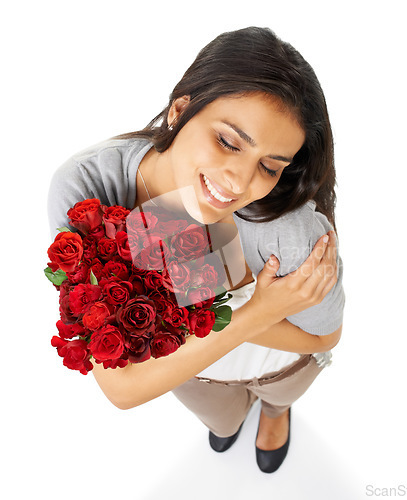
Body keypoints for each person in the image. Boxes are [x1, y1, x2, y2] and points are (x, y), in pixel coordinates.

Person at [47, 26, 345, 473]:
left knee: (279, 396)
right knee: (221, 421)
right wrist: (262, 309)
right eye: (228, 141)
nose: (240, 183)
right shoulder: (90, 188)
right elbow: (122, 388)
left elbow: (324, 338)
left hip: (279, 364)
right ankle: (230, 424)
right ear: (180, 109)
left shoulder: (289, 232)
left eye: (269, 166)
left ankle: (275, 413)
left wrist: (195, 316)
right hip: (196, 376)